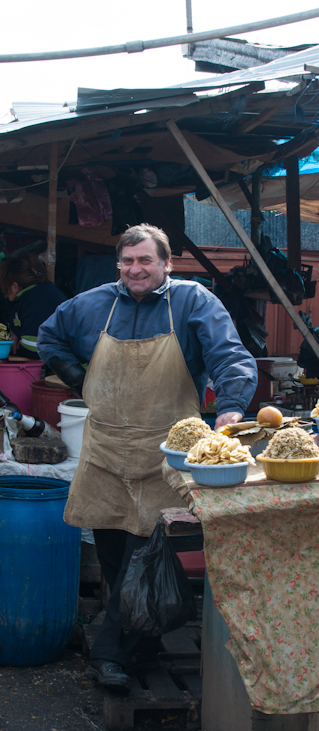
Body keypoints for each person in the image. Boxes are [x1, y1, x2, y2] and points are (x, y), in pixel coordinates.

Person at [37, 223, 257, 693]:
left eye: (146, 261)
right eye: (128, 261)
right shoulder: (93, 303)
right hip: (104, 451)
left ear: (166, 263)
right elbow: (49, 337)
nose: (136, 269)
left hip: (165, 454)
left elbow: (231, 357)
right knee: (117, 558)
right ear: (119, 263)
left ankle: (109, 654)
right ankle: (143, 644)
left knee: (147, 556)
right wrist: (78, 378)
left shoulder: (193, 301)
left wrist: (232, 407)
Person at [0, 252, 66, 359]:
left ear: (14, 286)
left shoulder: (38, 301)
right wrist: (16, 334)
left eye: (5, 289)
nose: (6, 295)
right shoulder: (35, 294)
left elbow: (33, 349)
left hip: (66, 367)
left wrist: (14, 349)